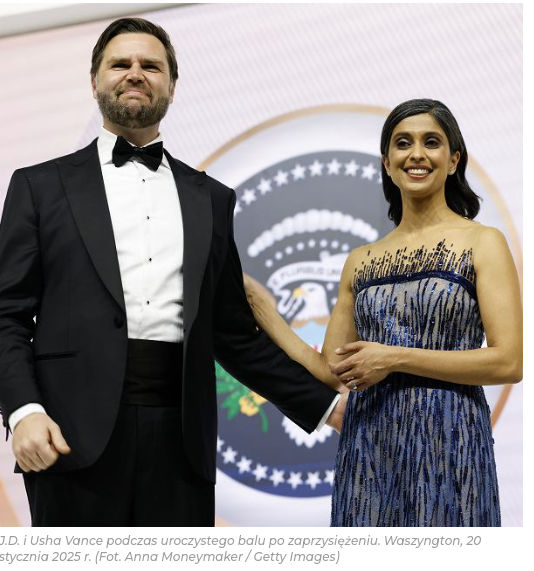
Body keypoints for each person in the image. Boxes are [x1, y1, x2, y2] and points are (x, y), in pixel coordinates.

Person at [0, 18, 345, 526]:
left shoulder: (212, 198)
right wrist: (24, 411)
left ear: (172, 86)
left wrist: (327, 407)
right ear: (94, 80)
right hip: (68, 437)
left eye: (150, 66)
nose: (135, 74)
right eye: (120, 64)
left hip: (182, 443)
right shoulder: (37, 186)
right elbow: (6, 315)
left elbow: (233, 335)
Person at [243, 98, 522, 526]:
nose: (416, 154)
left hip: (452, 442)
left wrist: (393, 358)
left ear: (453, 160)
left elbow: (509, 360)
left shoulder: (483, 242)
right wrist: (264, 308)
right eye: (402, 143)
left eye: (431, 142)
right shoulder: (360, 260)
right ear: (387, 163)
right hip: (369, 446)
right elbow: (331, 370)